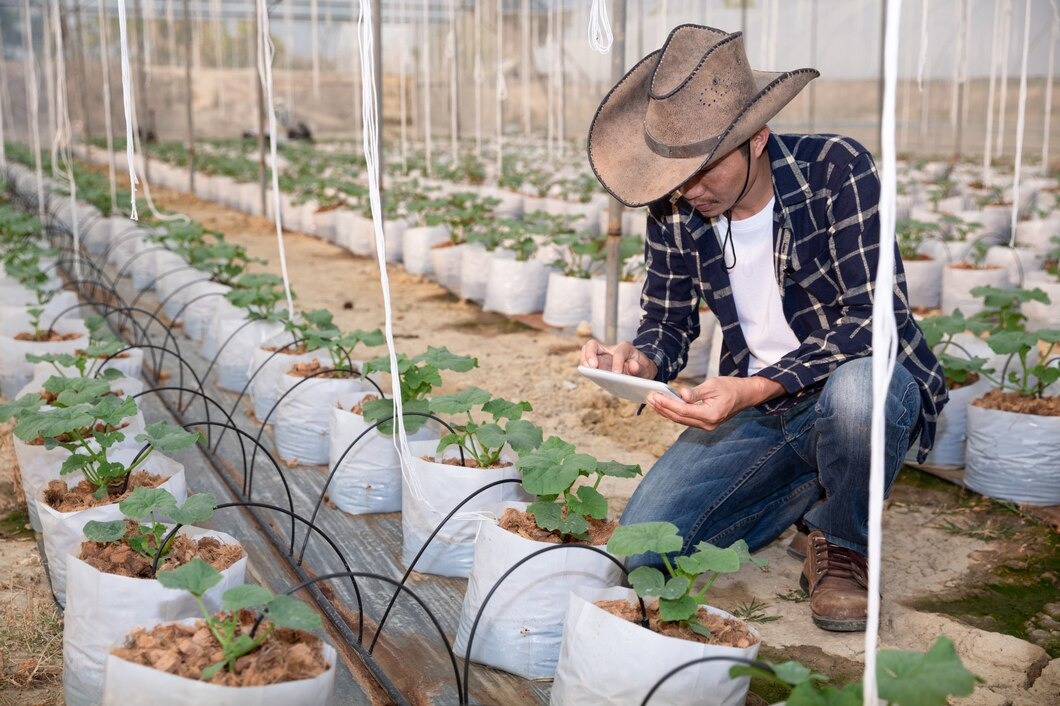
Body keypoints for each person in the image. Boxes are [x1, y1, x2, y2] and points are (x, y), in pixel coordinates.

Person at [579, 25, 947, 632]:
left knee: (857, 394)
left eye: (705, 170)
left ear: (757, 138)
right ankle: (817, 491)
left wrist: (756, 387)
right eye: (677, 175)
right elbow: (666, 324)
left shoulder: (835, 171)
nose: (690, 190)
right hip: (761, 407)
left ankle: (844, 543)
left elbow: (873, 322)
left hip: (856, 388)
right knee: (645, 552)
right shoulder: (673, 209)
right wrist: (639, 362)